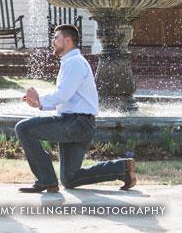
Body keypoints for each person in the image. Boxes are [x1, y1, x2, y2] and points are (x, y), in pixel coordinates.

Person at [15, 24, 136, 193]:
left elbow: (62, 95)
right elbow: (65, 97)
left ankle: (46, 180)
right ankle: (122, 168)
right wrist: (39, 103)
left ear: (68, 40)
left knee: (23, 128)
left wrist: (40, 100)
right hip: (79, 123)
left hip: (76, 123)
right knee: (70, 179)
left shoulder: (74, 63)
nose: (53, 41)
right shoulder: (71, 62)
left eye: (56, 38)